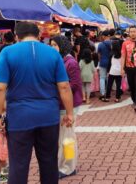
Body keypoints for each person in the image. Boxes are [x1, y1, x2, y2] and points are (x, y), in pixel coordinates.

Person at [0, 22, 74, 184]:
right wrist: (70, 113)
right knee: (49, 162)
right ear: (38, 35)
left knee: (18, 165)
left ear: (16, 36)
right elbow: (64, 86)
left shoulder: (8, 52)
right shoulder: (53, 53)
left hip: (19, 118)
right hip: (48, 117)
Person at [50, 35, 82, 179]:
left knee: (67, 137)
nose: (52, 48)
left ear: (62, 45)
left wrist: (58, 88)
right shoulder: (59, 61)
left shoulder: (70, 62)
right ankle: (64, 164)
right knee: (63, 137)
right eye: (51, 45)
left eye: (55, 45)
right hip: (60, 104)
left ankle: (68, 167)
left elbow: (75, 84)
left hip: (68, 105)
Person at [97, 30, 112, 101]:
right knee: (109, 78)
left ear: (103, 36)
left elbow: (99, 55)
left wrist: (100, 61)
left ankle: (102, 93)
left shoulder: (100, 44)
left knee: (102, 78)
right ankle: (108, 92)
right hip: (111, 63)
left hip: (103, 62)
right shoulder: (112, 43)